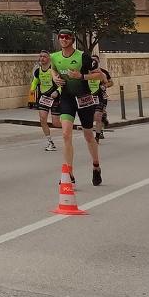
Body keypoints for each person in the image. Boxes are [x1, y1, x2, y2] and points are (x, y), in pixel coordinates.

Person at [50, 29, 106, 186]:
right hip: (67, 98)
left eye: (67, 37)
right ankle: (69, 174)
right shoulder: (54, 57)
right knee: (66, 135)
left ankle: (96, 166)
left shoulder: (83, 56)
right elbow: (53, 70)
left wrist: (82, 76)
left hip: (84, 97)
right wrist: (55, 78)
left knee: (88, 135)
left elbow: (99, 75)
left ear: (72, 39)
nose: (63, 39)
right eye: (61, 37)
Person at [29, 51, 59, 151]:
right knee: (42, 119)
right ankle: (50, 142)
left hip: (55, 97)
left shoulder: (54, 70)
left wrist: (57, 92)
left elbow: (62, 84)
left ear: (49, 58)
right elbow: (35, 81)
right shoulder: (38, 71)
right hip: (44, 97)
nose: (42, 58)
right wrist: (32, 89)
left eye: (44, 57)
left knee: (56, 123)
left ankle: (68, 129)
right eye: (40, 56)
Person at [90, 51, 112, 141]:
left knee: (98, 116)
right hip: (89, 97)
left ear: (98, 62)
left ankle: (98, 136)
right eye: (92, 60)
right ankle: (103, 118)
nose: (93, 62)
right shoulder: (86, 71)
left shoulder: (103, 72)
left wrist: (104, 85)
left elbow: (111, 82)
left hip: (101, 96)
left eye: (95, 61)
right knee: (93, 116)